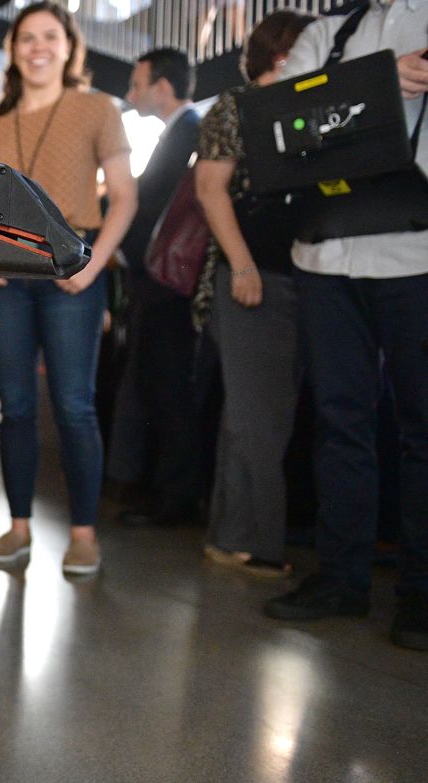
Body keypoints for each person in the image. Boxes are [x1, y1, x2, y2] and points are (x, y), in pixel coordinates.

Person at [260, 0, 428, 652]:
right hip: (323, 255)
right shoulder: (326, 35)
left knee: (422, 428)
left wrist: (344, 96)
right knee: (338, 421)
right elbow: (278, 117)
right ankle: (340, 578)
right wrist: (379, 83)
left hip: (417, 254)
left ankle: (420, 593)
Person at [0, 0, 137, 575]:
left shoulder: (96, 108)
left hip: (72, 273)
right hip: (6, 280)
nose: (38, 47)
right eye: (27, 38)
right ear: (13, 51)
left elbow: (124, 196)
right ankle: (18, 528)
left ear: (69, 47)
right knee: (15, 407)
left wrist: (95, 263)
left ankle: (83, 534)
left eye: (49, 37)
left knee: (74, 406)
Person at [193, 11, 315, 579]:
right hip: (250, 275)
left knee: (256, 414)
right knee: (257, 417)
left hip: (302, 273)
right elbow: (210, 189)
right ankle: (256, 542)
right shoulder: (237, 107)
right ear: (283, 52)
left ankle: (232, 536)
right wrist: (242, 266)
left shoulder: (310, 106)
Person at [112, 48, 204, 528]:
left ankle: (174, 497)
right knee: (159, 388)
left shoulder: (190, 132)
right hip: (162, 282)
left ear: (163, 87)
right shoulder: (181, 133)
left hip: (168, 284)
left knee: (168, 390)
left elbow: (152, 209)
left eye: (137, 84)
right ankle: (166, 492)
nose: (131, 95)